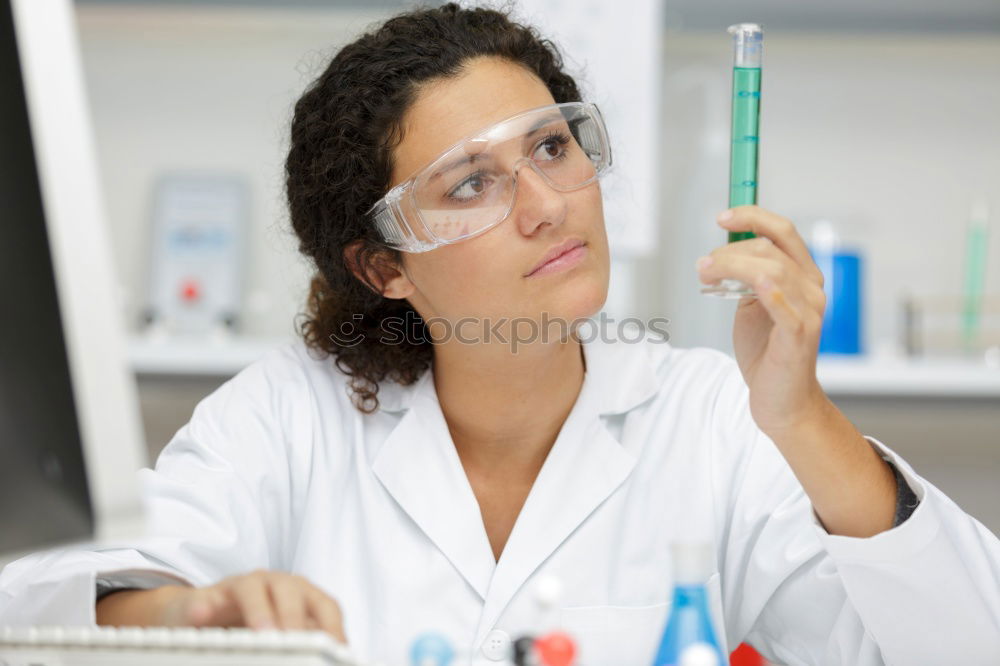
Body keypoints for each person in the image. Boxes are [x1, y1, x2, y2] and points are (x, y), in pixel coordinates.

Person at [1, 4, 998, 664]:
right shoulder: (290, 414)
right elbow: (48, 603)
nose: (547, 205)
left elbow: (963, 641)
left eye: (553, 147)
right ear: (382, 265)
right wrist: (188, 615)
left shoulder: (714, 420)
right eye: (471, 183)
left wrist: (802, 417)